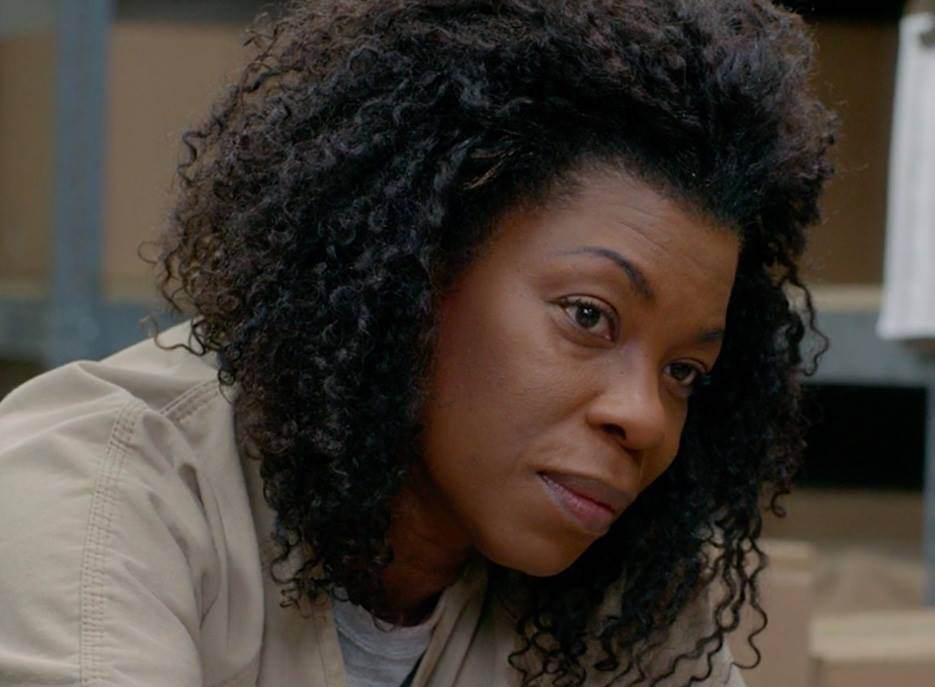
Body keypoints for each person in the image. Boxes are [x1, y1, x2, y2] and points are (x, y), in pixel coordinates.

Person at [0, 1, 835, 685]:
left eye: (683, 370)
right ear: (417, 262)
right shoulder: (99, 492)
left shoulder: (617, 595)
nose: (644, 417)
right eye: (588, 315)